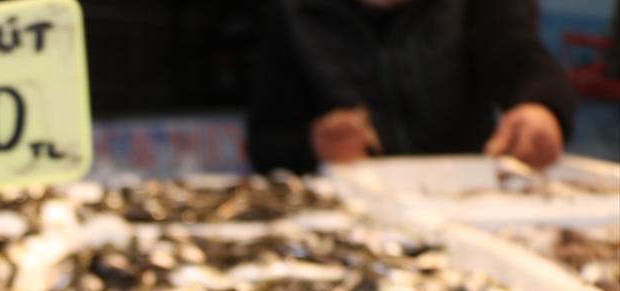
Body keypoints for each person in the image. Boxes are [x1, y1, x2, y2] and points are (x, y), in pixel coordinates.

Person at [247, 0, 577, 173]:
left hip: (466, 201)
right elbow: (265, 142)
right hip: (352, 211)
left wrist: (542, 105)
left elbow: (515, 51)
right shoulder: (294, 13)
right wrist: (314, 145)